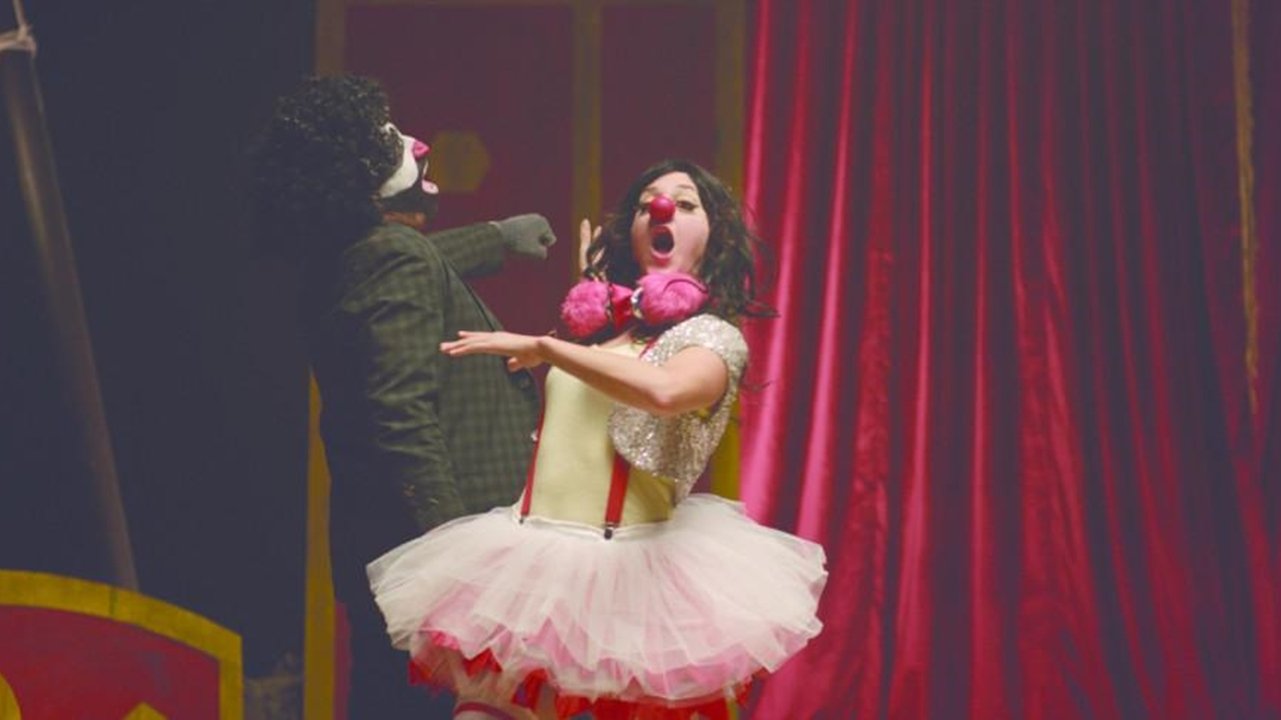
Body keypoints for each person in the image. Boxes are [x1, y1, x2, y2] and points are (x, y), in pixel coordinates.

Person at [367, 159, 828, 719]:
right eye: (647, 204)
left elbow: (665, 391)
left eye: (685, 204)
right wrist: (587, 305)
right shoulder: (600, 335)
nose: (662, 210)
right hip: (528, 568)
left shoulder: (712, 337)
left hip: (627, 585)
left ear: (716, 237)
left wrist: (549, 348)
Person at [249, 74, 555, 716]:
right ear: (362, 180)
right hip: (431, 560)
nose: (414, 144)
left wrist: (496, 237)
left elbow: (417, 261)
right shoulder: (391, 258)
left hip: (391, 553)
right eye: (388, 140)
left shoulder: (348, 262)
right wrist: (457, 556)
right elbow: (402, 420)